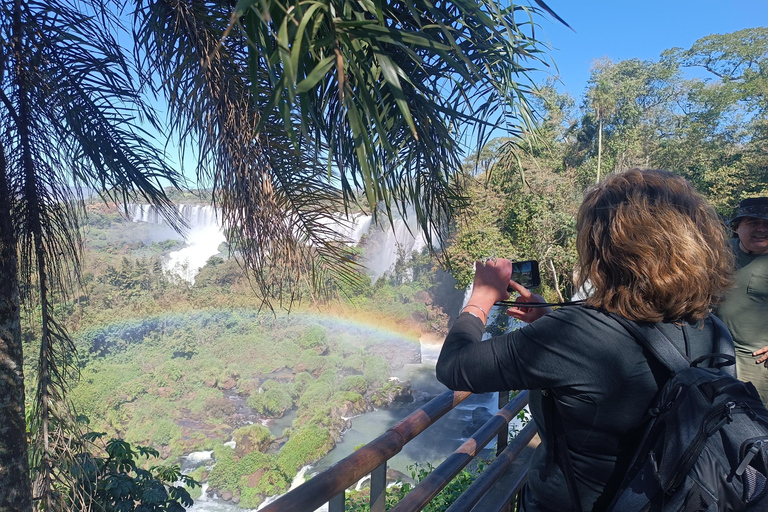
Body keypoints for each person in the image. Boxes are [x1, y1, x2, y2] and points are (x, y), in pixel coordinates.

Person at [436, 169, 734, 512]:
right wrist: (550, 321)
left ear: (605, 249)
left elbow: (454, 367)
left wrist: (482, 297)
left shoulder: (577, 335)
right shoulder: (712, 329)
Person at [715, 197, 768, 404]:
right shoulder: (720, 251)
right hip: (713, 353)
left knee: (756, 421)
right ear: (737, 227)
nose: (761, 229)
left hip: (756, 363)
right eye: (753, 222)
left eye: (767, 224)